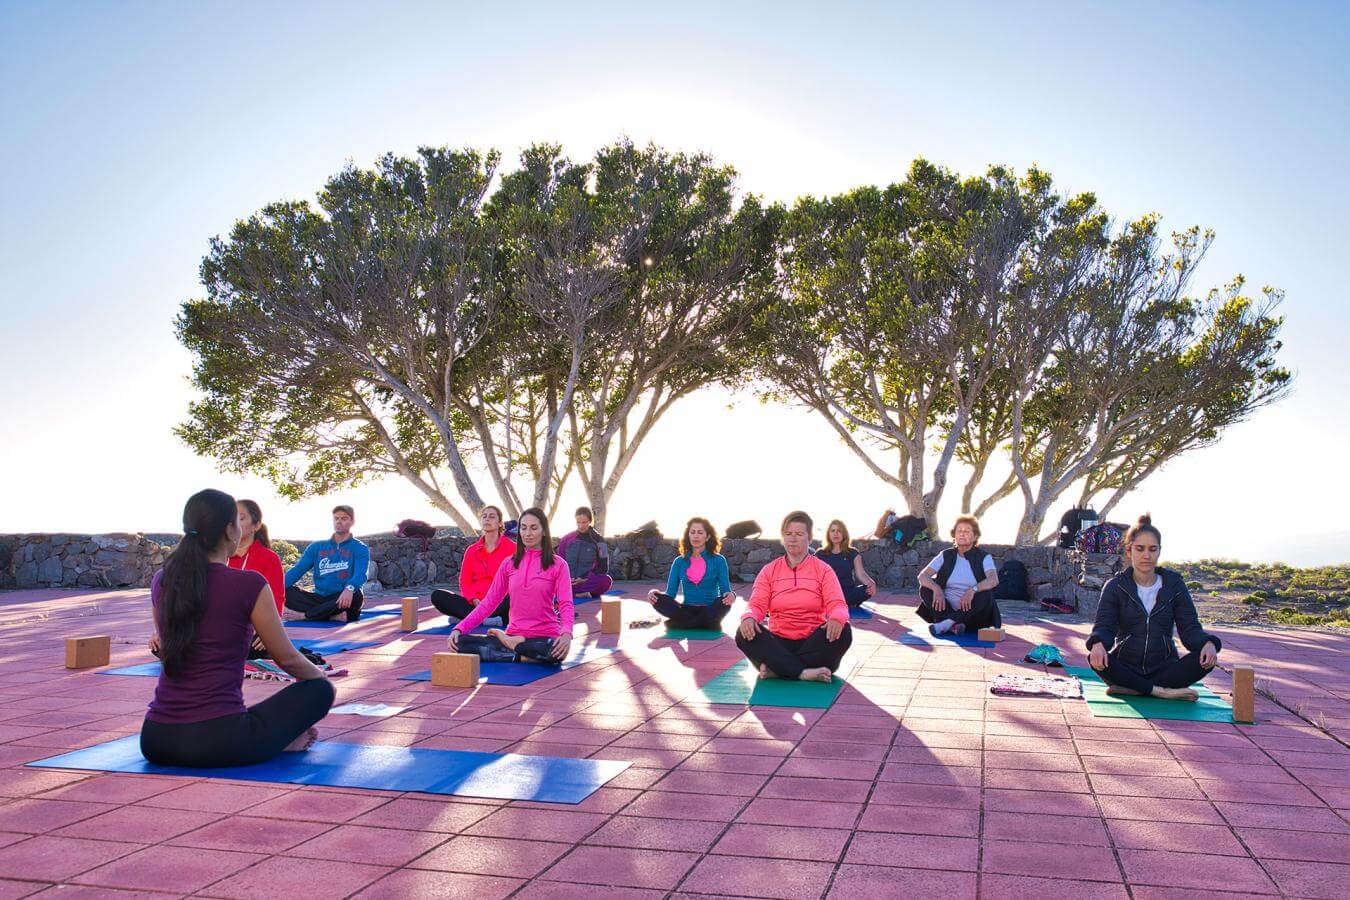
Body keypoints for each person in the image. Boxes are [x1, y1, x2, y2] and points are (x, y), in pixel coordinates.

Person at [140, 489, 334, 768]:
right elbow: (286, 658)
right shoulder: (249, 584)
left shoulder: (162, 580)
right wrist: (321, 681)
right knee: (319, 691)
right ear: (231, 530)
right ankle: (280, 740)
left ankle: (276, 739)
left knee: (241, 715)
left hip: (156, 740)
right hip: (219, 741)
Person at [1087, 514, 1221, 702]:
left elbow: (1190, 628)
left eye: (1153, 549)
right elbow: (1104, 626)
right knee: (1095, 658)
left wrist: (1208, 643)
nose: (1146, 556)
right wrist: (1098, 644)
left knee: (1205, 660)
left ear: (1159, 551)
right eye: (1140, 549)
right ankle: (1161, 691)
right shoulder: (1115, 586)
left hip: (1165, 667)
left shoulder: (1174, 585)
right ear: (1128, 551)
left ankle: (1135, 688)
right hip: (1126, 665)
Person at [447, 507, 574, 665]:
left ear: (544, 531)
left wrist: (566, 633)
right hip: (515, 632)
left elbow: (565, 603)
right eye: (523, 527)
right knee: (461, 642)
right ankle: (517, 649)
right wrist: (460, 628)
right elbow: (489, 602)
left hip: (544, 635)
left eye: (534, 528)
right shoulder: (509, 563)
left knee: (555, 652)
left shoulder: (558, 565)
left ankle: (508, 646)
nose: (527, 533)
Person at [736, 511, 852, 682]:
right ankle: (804, 672)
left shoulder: (823, 570)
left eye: (799, 534)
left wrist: (836, 618)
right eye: (788, 534)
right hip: (779, 641)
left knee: (844, 631)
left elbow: (837, 603)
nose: (793, 539)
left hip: (813, 641)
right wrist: (749, 617)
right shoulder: (769, 570)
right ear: (783, 538)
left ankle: (779, 669)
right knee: (743, 633)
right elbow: (756, 604)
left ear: (810, 538)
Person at [916, 515, 1001, 636]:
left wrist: (973, 590)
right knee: (925, 589)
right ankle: (955, 625)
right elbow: (922, 576)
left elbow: (993, 580)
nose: (962, 534)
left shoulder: (984, 557)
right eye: (959, 531)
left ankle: (948, 623)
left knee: (986, 594)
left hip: (973, 611)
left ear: (975, 536)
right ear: (954, 535)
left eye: (967, 531)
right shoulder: (945, 555)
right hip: (946, 607)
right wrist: (937, 589)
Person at [431, 505, 515, 626]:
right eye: (484, 516)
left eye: (492, 517)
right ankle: (487, 619)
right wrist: (474, 600)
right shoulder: (472, 550)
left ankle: (469, 617)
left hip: (500, 602)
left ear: (500, 523)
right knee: (438, 596)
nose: (487, 519)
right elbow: (465, 582)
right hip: (476, 604)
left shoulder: (512, 548)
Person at [283, 505, 369, 622]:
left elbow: (360, 575)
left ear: (352, 522)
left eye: (344, 519)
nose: (339, 522)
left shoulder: (360, 548)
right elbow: (298, 570)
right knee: (286, 592)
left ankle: (304, 616)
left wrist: (349, 588)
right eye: (336, 518)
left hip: (343, 596)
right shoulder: (316, 547)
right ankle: (332, 616)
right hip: (320, 599)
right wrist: (275, 587)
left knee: (357, 594)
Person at [647, 517, 736, 629]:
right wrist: (654, 593)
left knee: (723, 603)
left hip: (710, 609)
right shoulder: (679, 561)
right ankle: (703, 623)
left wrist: (732, 595)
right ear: (688, 536)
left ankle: (684, 623)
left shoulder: (718, 560)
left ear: (707, 536)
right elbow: (670, 594)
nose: (696, 536)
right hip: (686, 610)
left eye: (700, 532)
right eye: (692, 532)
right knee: (657, 599)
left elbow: (725, 591)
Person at [816, 519, 877, 608]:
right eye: (833, 531)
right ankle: (841, 602)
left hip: (848, 592)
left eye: (839, 531)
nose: (835, 533)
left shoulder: (852, 553)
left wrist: (872, 584)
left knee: (867, 590)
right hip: (828, 593)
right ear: (828, 534)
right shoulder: (820, 554)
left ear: (844, 534)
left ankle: (840, 602)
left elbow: (861, 574)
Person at [557, 506, 613, 598]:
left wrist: (584, 579)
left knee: (606, 580)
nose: (580, 526)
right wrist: (566, 578)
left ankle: (572, 594)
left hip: (585, 582)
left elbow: (604, 567)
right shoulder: (566, 539)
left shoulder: (600, 541)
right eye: (578, 522)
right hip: (567, 582)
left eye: (584, 522)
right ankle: (577, 594)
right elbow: (559, 563)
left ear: (590, 521)